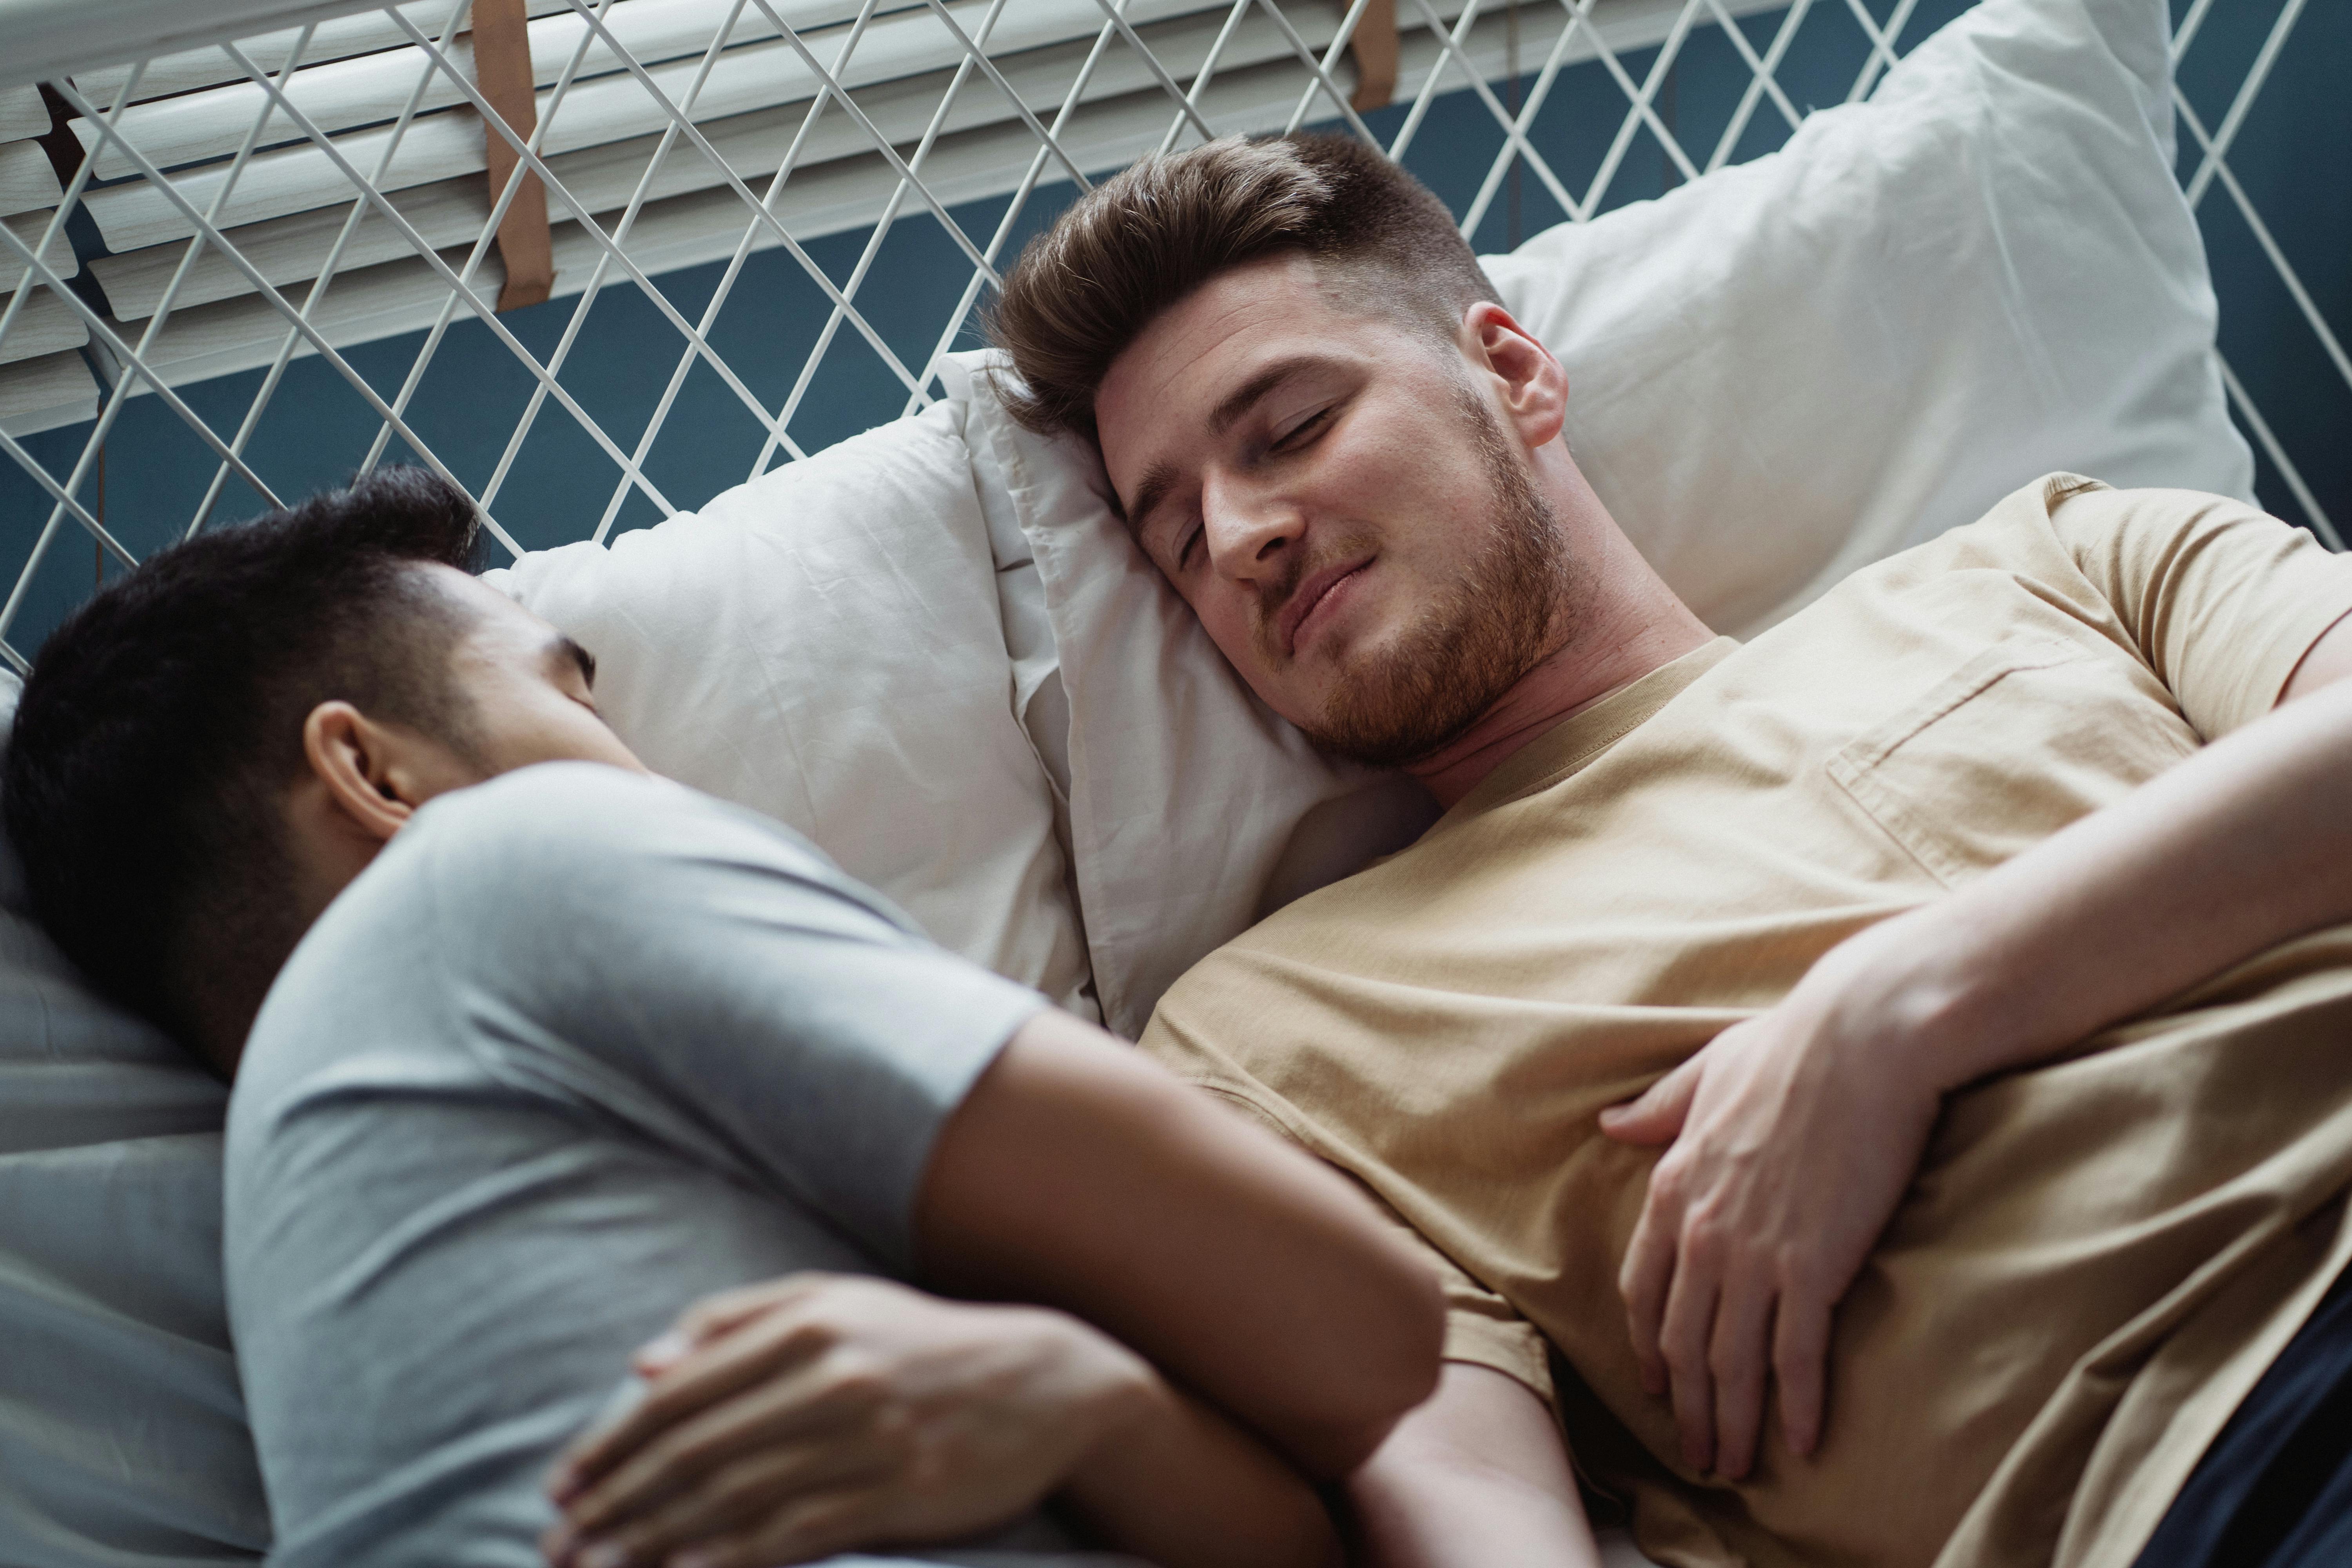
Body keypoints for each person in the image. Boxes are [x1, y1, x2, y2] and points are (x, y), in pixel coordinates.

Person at [984, 131, 2352, 1568]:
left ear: (1511, 375)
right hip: (2219, 1480)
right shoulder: (1262, 1046)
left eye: (1291, 429)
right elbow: (1465, 1493)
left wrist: (1896, 1016)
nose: (1244, 532)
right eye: (1182, 538)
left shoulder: (2055, 561)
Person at [0, 469, 1446, 1568]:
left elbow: (1297, 1536)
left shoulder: (321, 1249)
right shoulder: (501, 868)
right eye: (569, 696)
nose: (647, 775)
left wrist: (1083, 1404)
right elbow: (1372, 1329)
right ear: (375, 774)